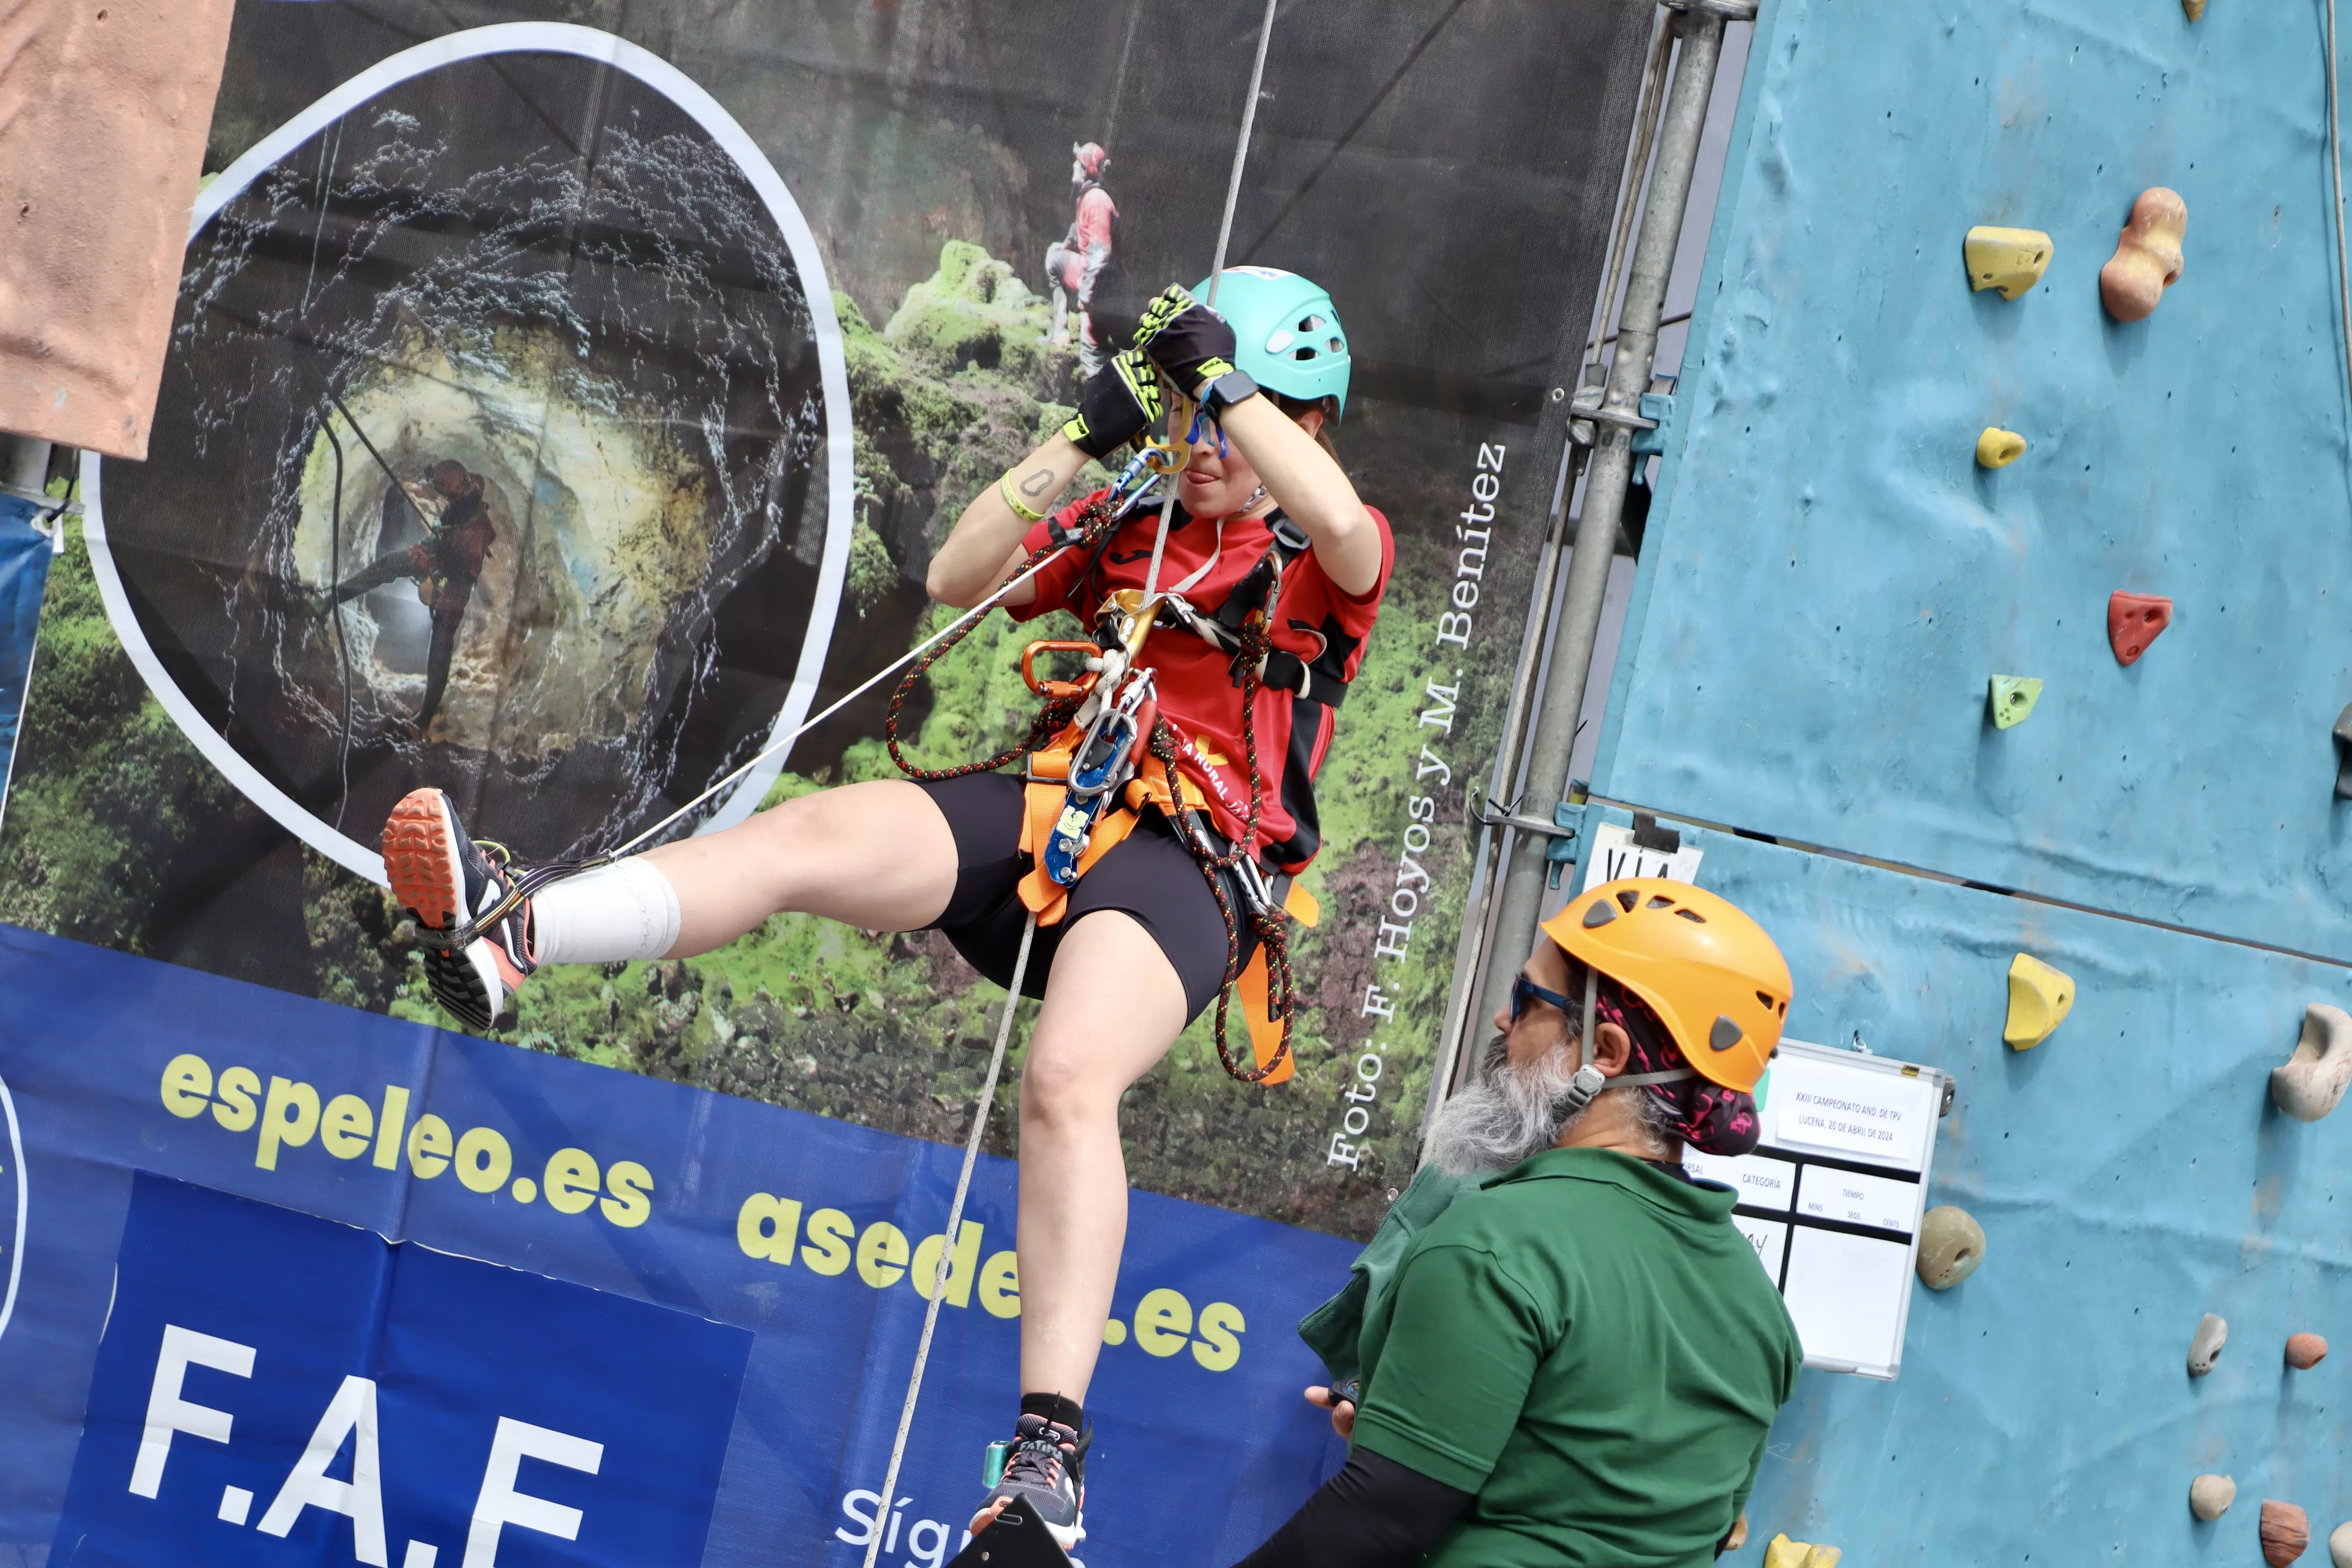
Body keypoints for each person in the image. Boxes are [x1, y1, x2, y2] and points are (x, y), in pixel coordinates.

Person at [375, 269, 1381, 1551]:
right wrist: (1087, 432)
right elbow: (958, 572)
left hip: (1188, 862)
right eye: (1183, 424)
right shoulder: (1139, 518)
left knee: (1069, 1078)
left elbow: (1343, 525)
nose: (1197, 450)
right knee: (805, 836)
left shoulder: (1326, 550)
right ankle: (521, 930)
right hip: (1054, 805)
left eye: (1220, 430)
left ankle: (1050, 1463)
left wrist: (1226, 389)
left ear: (1295, 417)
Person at [1239, 877, 1802, 1568]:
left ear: (1607, 1053)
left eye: (1527, 998)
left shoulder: (1495, 1247)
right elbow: (1659, 1523)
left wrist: (1395, 1471)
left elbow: (1377, 1522)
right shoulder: (1761, 1312)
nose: (1505, 1022)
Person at [325, 458, 495, 730]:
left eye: (444, 493)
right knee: (390, 564)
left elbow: (459, 568)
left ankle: (425, 717)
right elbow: (449, 489)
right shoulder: (465, 485)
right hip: (443, 543)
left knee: (442, 636)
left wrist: (433, 580)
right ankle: (329, 601)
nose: (441, 496)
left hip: (461, 569)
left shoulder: (476, 530)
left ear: (456, 491)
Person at [1044, 141, 1120, 377]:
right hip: (1091, 272)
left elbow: (1101, 253)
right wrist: (1065, 245)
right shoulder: (1086, 197)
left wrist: (1087, 295)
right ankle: (1060, 333)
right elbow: (1079, 228)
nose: (1073, 168)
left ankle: (1094, 390)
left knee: (1091, 352)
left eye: (1077, 165)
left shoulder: (1097, 200)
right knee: (1053, 258)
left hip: (1104, 284)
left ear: (1087, 169)